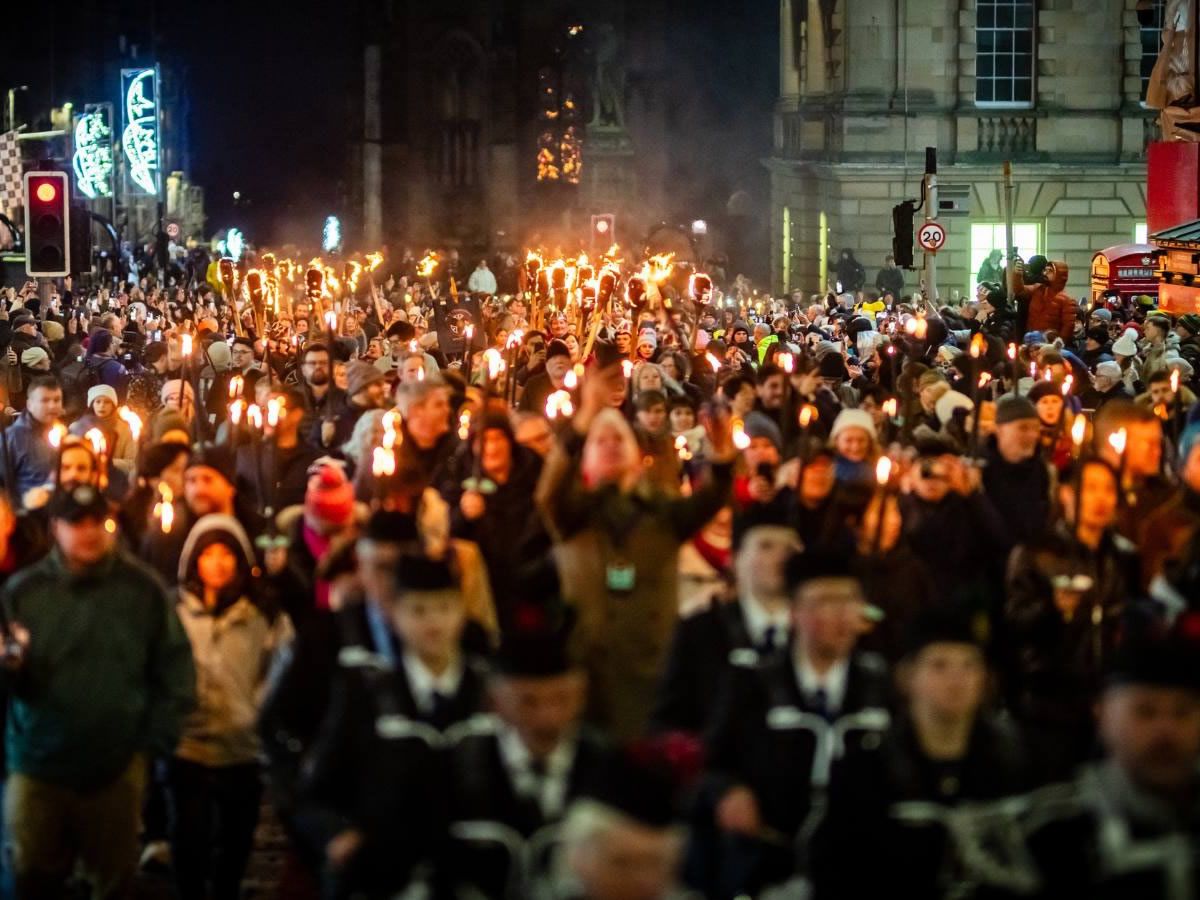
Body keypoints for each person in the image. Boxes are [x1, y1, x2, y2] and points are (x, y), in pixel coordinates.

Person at [0, 484, 195, 899]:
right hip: (39, 765)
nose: (88, 532)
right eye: (76, 523)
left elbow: (174, 668)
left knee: (113, 879)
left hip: (115, 769)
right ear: (56, 527)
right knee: (31, 874)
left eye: (97, 522)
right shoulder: (24, 593)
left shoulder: (142, 590)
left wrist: (149, 743)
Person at [537, 358, 735, 739]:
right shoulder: (572, 516)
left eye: (619, 439)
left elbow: (710, 499)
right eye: (600, 440)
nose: (610, 445)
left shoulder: (663, 514)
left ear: (636, 456)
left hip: (652, 680)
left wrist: (723, 454)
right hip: (584, 680)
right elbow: (549, 491)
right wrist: (585, 418)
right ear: (586, 456)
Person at [699, 551, 891, 896]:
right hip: (770, 865)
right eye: (824, 603)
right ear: (794, 612)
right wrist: (728, 791)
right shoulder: (754, 683)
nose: (840, 617)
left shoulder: (880, 685)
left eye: (849, 603)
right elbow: (712, 761)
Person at [811, 610, 1030, 899]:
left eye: (969, 665)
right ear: (907, 677)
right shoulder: (865, 770)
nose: (957, 679)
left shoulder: (1016, 762)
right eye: (939, 666)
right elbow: (836, 872)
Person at [1022, 628, 1200, 898]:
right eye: (1145, 712)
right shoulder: (1048, 836)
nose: (1166, 730)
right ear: (1103, 715)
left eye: (1182, 712)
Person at [169, 514, 292, 900]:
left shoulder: (262, 615)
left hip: (241, 748)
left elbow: (283, 668)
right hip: (187, 746)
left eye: (226, 554)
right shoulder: (175, 612)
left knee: (236, 841)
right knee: (189, 840)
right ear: (194, 561)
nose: (217, 563)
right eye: (209, 554)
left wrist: (258, 709)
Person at [442, 621, 606, 898]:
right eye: (528, 702)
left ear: (582, 696)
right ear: (495, 702)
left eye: (561, 699)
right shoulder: (453, 768)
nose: (547, 717)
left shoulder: (605, 766)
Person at [1005, 458, 1140, 781]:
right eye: (1090, 489)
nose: (1100, 499)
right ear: (1065, 495)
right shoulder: (1037, 553)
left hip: (1109, 700)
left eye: (1108, 490)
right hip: (1051, 702)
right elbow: (1015, 623)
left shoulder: (1123, 556)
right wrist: (1052, 609)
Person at [650, 521, 801, 736]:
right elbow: (670, 717)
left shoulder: (812, 632)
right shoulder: (700, 631)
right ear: (735, 560)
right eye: (766, 546)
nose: (781, 558)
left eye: (790, 549)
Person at [4, 377, 64, 505]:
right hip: (27, 515)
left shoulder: (65, 433)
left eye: (57, 400)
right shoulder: (12, 438)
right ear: (29, 404)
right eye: (45, 400)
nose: (52, 406)